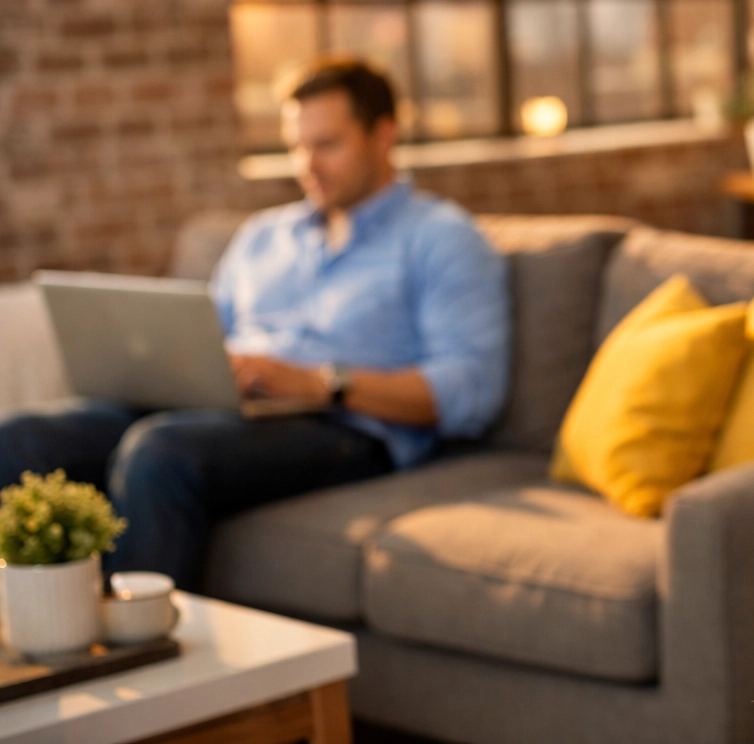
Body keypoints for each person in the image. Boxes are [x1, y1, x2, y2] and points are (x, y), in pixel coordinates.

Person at [0, 59, 510, 590]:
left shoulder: (442, 238)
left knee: (160, 452)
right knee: (18, 440)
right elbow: (203, 335)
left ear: (384, 135)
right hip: (228, 408)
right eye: (297, 146)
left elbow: (473, 389)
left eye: (327, 144)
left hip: (344, 429)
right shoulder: (264, 236)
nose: (307, 164)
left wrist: (322, 383)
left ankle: (134, 656)